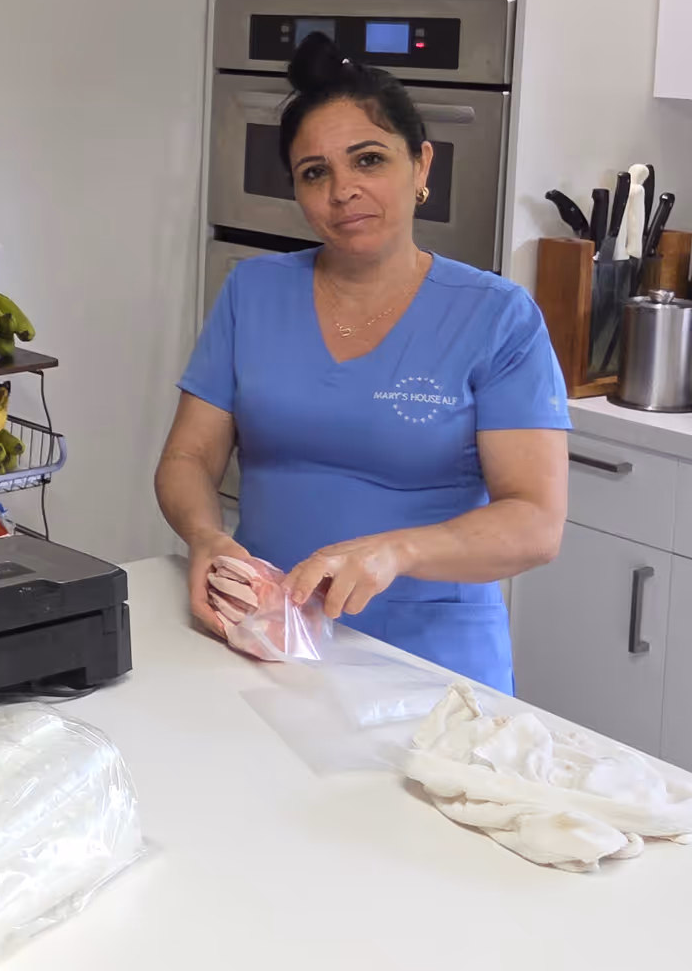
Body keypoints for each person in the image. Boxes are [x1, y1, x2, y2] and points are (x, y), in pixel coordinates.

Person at [155, 35, 568, 691]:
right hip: (269, 637)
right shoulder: (252, 293)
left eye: (368, 160)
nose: (343, 191)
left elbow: (536, 522)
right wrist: (205, 537)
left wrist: (397, 550)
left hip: (433, 666)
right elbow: (187, 460)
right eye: (315, 172)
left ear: (422, 165)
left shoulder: (497, 317)